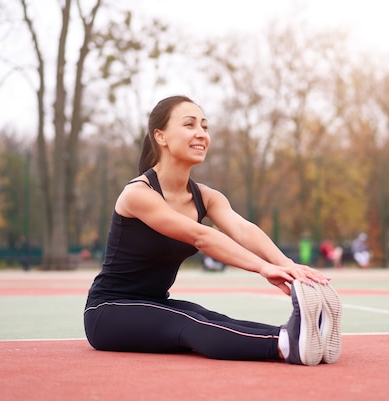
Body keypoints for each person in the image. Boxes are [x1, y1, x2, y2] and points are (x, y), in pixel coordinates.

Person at [84, 95, 342, 366]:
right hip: (108, 311)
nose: (201, 134)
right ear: (161, 136)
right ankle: (286, 345)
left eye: (205, 127)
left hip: (154, 303)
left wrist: (287, 265)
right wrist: (263, 268)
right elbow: (201, 236)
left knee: (214, 319)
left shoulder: (206, 197)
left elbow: (242, 229)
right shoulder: (138, 194)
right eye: (189, 125)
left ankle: (303, 336)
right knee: (191, 324)